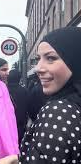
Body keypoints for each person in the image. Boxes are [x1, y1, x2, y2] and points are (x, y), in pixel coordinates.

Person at [17, 27, 81, 163]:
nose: (38, 68)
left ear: (75, 60)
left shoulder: (58, 112)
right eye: (39, 59)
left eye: (51, 58)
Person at [7, 69, 30, 144]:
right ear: (19, 78)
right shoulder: (24, 91)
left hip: (6, 125)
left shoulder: (3, 90)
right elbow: (28, 108)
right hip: (20, 125)